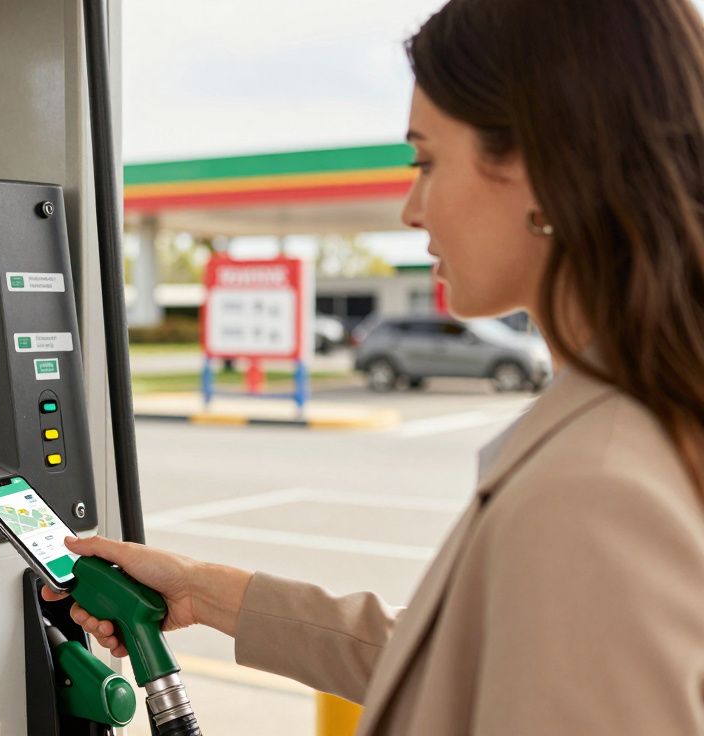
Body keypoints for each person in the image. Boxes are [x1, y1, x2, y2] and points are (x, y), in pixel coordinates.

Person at [46, 0, 704, 732]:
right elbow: (460, 662)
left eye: (426, 160)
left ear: (549, 168)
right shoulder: (637, 427)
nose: (411, 210)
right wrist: (207, 593)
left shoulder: (595, 488)